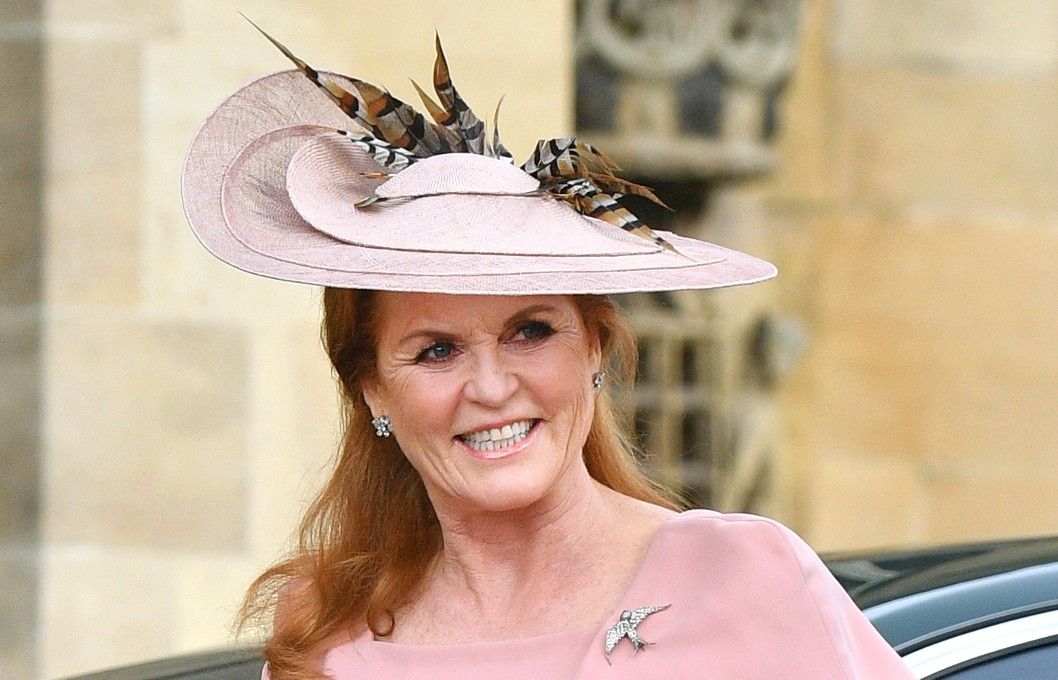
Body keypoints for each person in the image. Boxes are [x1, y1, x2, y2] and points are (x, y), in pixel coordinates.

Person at [182, 25, 916, 680]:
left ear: (594, 344)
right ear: (371, 388)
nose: (493, 386)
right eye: (436, 351)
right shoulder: (323, 624)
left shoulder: (745, 576)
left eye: (531, 331)